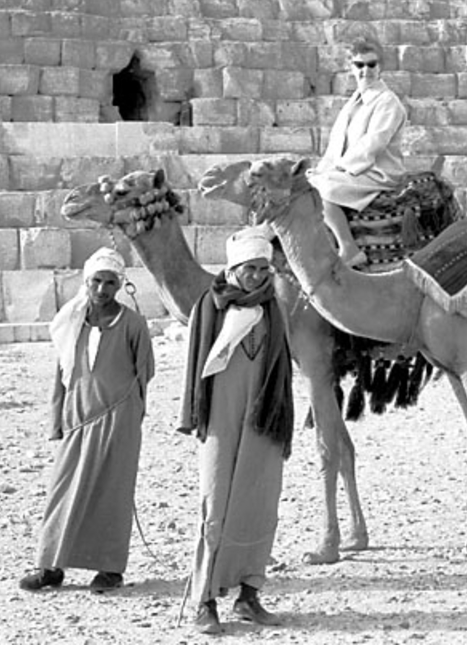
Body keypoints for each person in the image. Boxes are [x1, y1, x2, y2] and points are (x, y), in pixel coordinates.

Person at [179, 226, 295, 635]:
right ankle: (204, 600)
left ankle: (249, 594)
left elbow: (282, 370)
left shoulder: (274, 309)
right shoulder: (211, 307)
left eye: (264, 268)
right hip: (221, 419)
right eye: (250, 269)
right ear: (234, 269)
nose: (258, 276)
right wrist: (192, 415)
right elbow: (195, 364)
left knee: (259, 505)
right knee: (216, 507)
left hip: (263, 417)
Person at [20, 247, 156, 593]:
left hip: (118, 420)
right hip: (78, 420)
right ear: (86, 281)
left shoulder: (133, 324)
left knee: (112, 493)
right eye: (96, 281)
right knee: (63, 491)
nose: (102, 289)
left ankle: (109, 569)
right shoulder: (72, 323)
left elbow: (145, 371)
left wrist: (129, 414)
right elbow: (61, 375)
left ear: (120, 285)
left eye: (110, 282)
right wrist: (57, 420)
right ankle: (51, 566)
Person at [309, 37, 408, 268]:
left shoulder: (388, 102)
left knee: (325, 189)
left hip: (377, 171)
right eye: (359, 65)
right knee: (310, 182)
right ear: (351, 67)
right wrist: (322, 169)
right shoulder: (352, 103)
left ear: (380, 66)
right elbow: (336, 146)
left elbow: (373, 144)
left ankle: (349, 248)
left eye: (371, 64)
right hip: (352, 168)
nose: (366, 70)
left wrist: (336, 171)